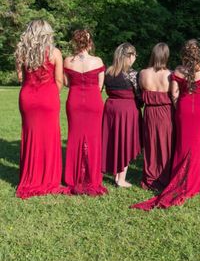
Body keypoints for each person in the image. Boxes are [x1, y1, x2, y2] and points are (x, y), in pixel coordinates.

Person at [132, 40, 200, 210]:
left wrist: (180, 108)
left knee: (181, 146)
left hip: (183, 109)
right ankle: (195, 182)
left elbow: (175, 95)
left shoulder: (178, 70)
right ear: (199, 53)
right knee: (198, 147)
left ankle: (177, 177)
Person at [14, 19, 69, 198]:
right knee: (50, 137)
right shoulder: (55, 53)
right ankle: (48, 178)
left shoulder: (22, 52)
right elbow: (59, 81)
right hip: (48, 98)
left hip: (28, 97)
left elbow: (20, 78)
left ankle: (30, 176)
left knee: (30, 137)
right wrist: (50, 94)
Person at [63, 29, 108, 196]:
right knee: (93, 138)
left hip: (74, 101)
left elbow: (67, 83)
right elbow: (99, 86)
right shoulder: (97, 61)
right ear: (90, 43)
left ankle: (73, 177)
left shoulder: (67, 61)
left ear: (75, 42)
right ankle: (92, 176)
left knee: (75, 137)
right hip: (93, 101)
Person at [102, 42, 141, 187]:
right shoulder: (132, 74)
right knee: (125, 141)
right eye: (134, 55)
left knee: (113, 140)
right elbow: (139, 95)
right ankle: (121, 178)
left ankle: (115, 173)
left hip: (111, 108)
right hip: (127, 109)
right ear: (129, 56)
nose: (135, 58)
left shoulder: (108, 72)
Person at [139, 43, 174, 191]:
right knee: (166, 145)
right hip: (166, 112)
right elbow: (174, 95)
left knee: (151, 144)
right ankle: (164, 176)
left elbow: (141, 92)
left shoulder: (143, 73)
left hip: (150, 113)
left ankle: (150, 176)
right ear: (166, 56)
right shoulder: (171, 75)